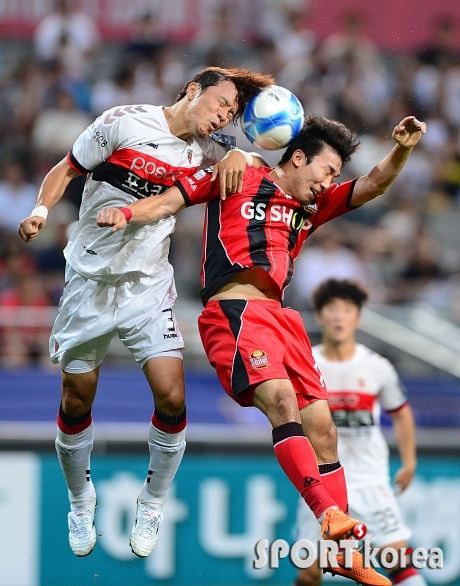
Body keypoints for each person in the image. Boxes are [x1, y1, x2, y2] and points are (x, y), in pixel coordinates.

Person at [97, 113, 426, 585]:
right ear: (297, 157)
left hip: (282, 320)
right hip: (235, 312)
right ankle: (329, 515)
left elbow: (374, 183)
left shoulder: (313, 207)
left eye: (335, 176)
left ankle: (341, 553)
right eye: (327, 171)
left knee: (325, 432)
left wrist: (404, 148)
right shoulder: (238, 173)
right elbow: (174, 198)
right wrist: (127, 213)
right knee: (280, 402)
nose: (329, 182)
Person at [18, 66, 274, 559]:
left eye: (231, 114)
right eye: (220, 104)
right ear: (193, 90)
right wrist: (40, 212)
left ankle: (152, 502)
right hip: (88, 281)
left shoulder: (213, 149)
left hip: (147, 286)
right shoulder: (123, 122)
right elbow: (66, 169)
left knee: (172, 396)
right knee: (76, 401)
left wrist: (242, 149)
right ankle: (79, 500)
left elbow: (257, 164)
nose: (224, 116)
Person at [294, 278, 427, 586]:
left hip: (369, 481)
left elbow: (401, 413)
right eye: (331, 309)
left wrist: (409, 463)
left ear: (358, 317)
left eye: (347, 309)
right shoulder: (305, 363)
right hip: (320, 485)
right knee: (309, 573)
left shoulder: (377, 366)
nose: (339, 316)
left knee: (396, 557)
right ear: (319, 316)